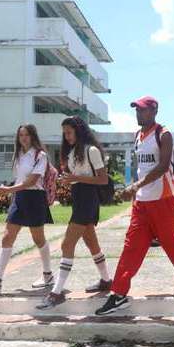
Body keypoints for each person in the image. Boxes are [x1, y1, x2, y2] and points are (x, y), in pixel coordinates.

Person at [95, 96, 174, 315]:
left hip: (162, 198)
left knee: (170, 242)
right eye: (136, 110)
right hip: (142, 201)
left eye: (142, 110)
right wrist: (135, 192)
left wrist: (135, 186)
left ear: (153, 112)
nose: (138, 114)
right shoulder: (138, 136)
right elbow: (141, 169)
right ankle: (118, 293)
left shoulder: (164, 134)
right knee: (131, 245)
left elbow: (163, 167)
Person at [37, 116, 111, 310]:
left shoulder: (91, 150)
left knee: (67, 244)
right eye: (65, 133)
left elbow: (103, 180)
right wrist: (68, 180)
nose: (67, 136)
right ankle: (106, 280)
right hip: (79, 198)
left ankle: (57, 292)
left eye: (69, 132)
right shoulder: (72, 152)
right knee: (91, 243)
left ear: (78, 130)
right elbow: (78, 178)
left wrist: (75, 178)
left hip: (88, 199)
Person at [0, 124, 54, 293]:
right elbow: (20, 179)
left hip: (34, 198)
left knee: (38, 239)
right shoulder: (18, 154)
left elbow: (32, 182)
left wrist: (8, 190)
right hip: (19, 198)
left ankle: (48, 275)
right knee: (7, 237)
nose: (23, 138)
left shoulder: (40, 155)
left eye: (26, 135)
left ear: (33, 136)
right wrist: (11, 191)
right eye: (21, 135)